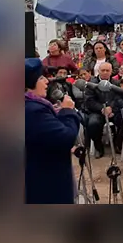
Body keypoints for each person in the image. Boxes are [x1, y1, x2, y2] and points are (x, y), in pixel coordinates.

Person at [25, 58, 82, 204]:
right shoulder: (33, 110)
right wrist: (67, 111)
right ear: (30, 82)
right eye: (41, 77)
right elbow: (65, 138)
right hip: (46, 184)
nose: (46, 82)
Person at [79, 61, 119, 158]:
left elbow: (118, 98)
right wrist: (103, 108)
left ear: (111, 71)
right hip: (97, 111)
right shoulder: (91, 84)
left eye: (107, 70)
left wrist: (111, 108)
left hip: (113, 111)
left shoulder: (116, 83)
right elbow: (89, 101)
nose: (105, 72)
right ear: (98, 71)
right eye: (103, 70)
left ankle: (118, 144)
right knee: (93, 124)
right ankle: (98, 147)